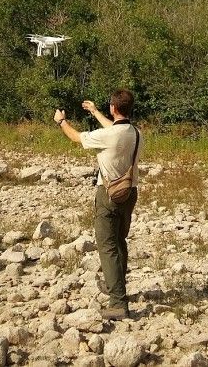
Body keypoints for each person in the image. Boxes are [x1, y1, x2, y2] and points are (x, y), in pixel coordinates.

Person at [53, 89, 142, 320]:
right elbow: (113, 128)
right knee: (119, 242)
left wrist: (61, 121)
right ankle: (118, 288)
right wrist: (94, 111)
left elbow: (75, 137)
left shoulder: (109, 136)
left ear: (114, 108)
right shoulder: (136, 133)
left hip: (108, 194)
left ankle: (118, 303)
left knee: (107, 246)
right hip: (130, 192)